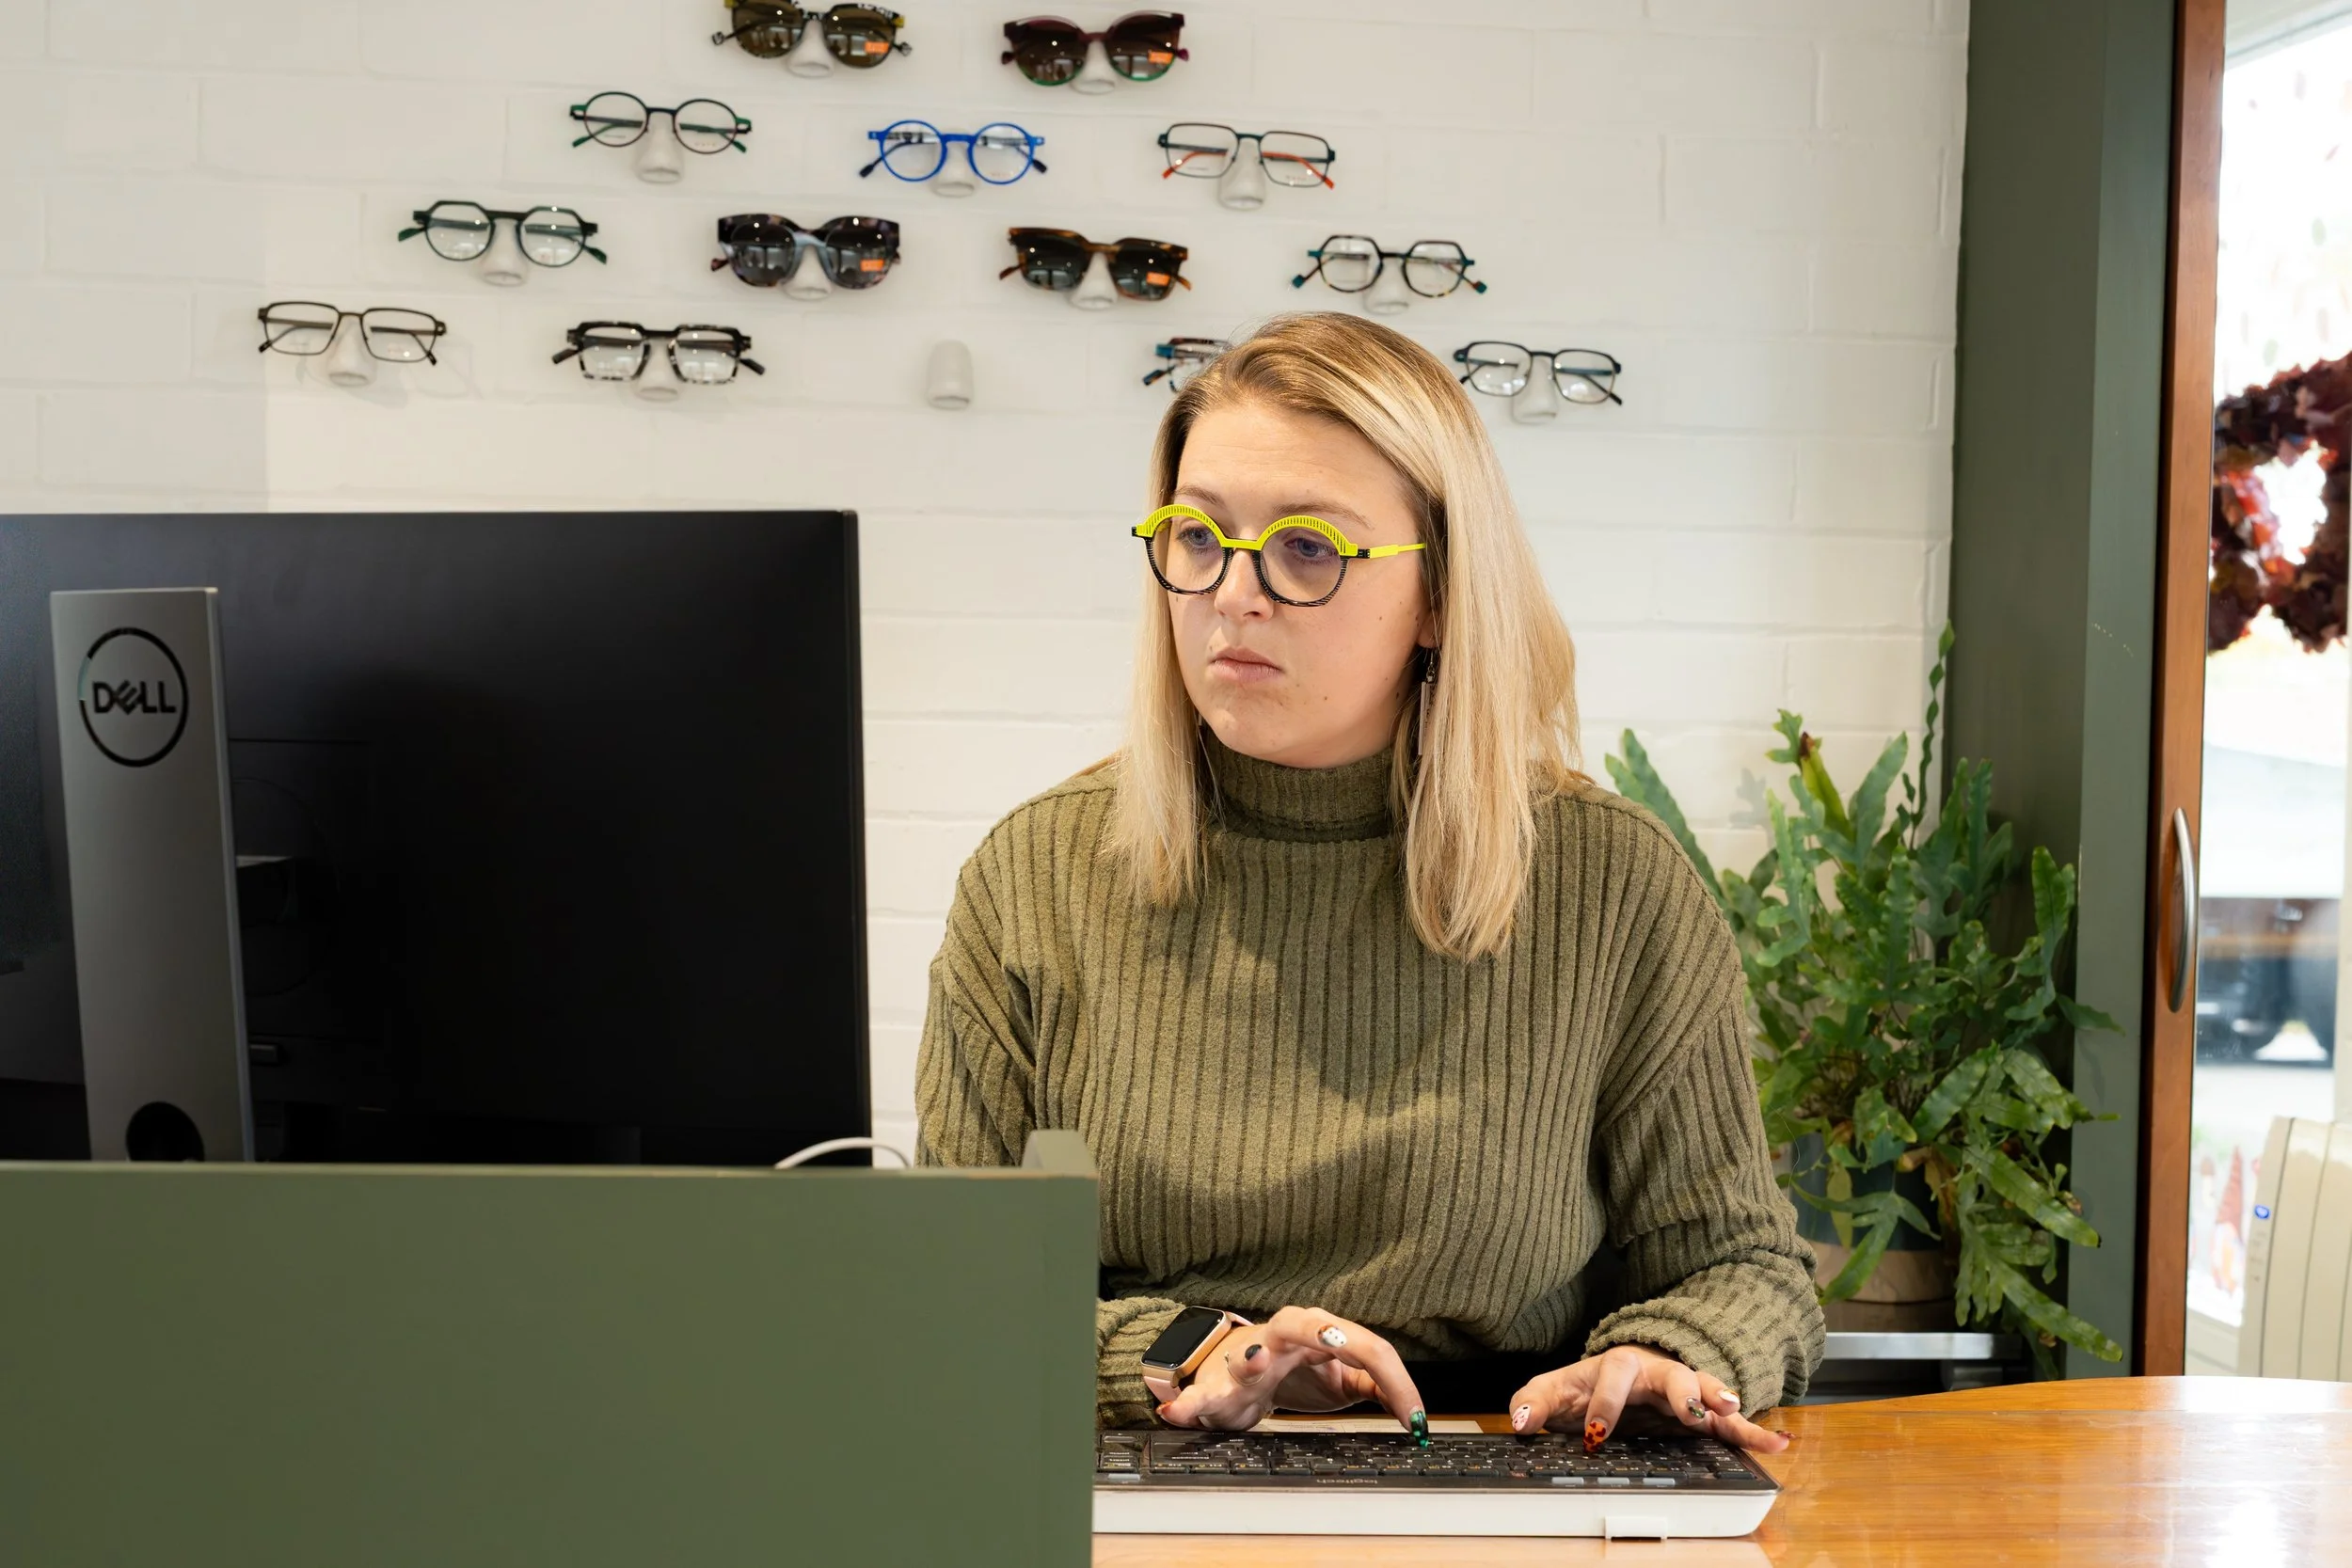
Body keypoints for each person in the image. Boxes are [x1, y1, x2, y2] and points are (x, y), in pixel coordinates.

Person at [915, 312, 1822, 1451]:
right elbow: (950, 1287)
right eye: (1196, 535)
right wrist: (1204, 1350)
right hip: (1151, 1463)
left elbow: (1741, 1264)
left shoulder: (1612, 882)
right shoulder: (1037, 871)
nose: (1231, 592)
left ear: (1440, 595)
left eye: (1308, 548)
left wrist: (1670, 1358)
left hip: (1509, 1457)